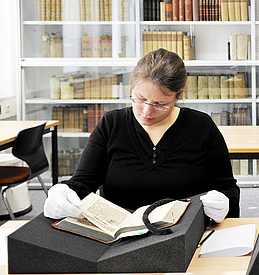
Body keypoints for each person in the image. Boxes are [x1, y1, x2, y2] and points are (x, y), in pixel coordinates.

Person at [44, 48, 240, 223]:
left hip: (185, 238)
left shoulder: (201, 126)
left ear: (178, 96)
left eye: (159, 104)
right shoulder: (111, 125)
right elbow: (82, 184)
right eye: (140, 99)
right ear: (131, 89)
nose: (146, 112)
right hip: (119, 240)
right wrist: (63, 192)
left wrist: (224, 203)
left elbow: (228, 188)